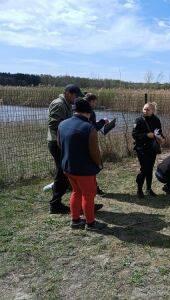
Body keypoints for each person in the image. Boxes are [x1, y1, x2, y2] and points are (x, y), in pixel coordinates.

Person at [58, 98, 107, 230]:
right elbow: (94, 152)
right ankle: (90, 223)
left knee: (76, 192)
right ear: (88, 112)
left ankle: (75, 220)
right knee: (88, 195)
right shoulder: (89, 128)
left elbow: (59, 144)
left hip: (68, 167)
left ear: (75, 111)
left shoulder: (62, 124)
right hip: (84, 169)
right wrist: (99, 164)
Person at [47, 84, 84, 214]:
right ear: (68, 93)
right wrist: (67, 132)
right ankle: (55, 204)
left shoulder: (67, 104)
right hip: (57, 143)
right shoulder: (59, 104)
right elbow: (53, 124)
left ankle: (78, 202)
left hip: (62, 142)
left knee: (65, 171)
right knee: (62, 172)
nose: (76, 98)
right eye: (75, 96)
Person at [132, 102, 165, 198]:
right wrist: (146, 135)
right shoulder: (139, 120)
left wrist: (162, 138)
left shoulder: (156, 120)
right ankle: (139, 190)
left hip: (152, 148)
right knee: (144, 169)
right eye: (144, 109)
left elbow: (159, 132)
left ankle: (148, 189)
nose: (145, 111)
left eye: (148, 109)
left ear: (153, 111)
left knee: (150, 169)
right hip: (141, 148)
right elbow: (134, 135)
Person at [84, 93, 109, 196]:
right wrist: (103, 121)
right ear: (91, 101)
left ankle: (94, 188)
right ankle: (94, 189)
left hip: (83, 141)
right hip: (89, 142)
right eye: (94, 102)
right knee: (92, 166)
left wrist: (98, 121)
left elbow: (90, 123)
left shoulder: (81, 111)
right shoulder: (90, 111)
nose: (95, 104)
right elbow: (93, 128)